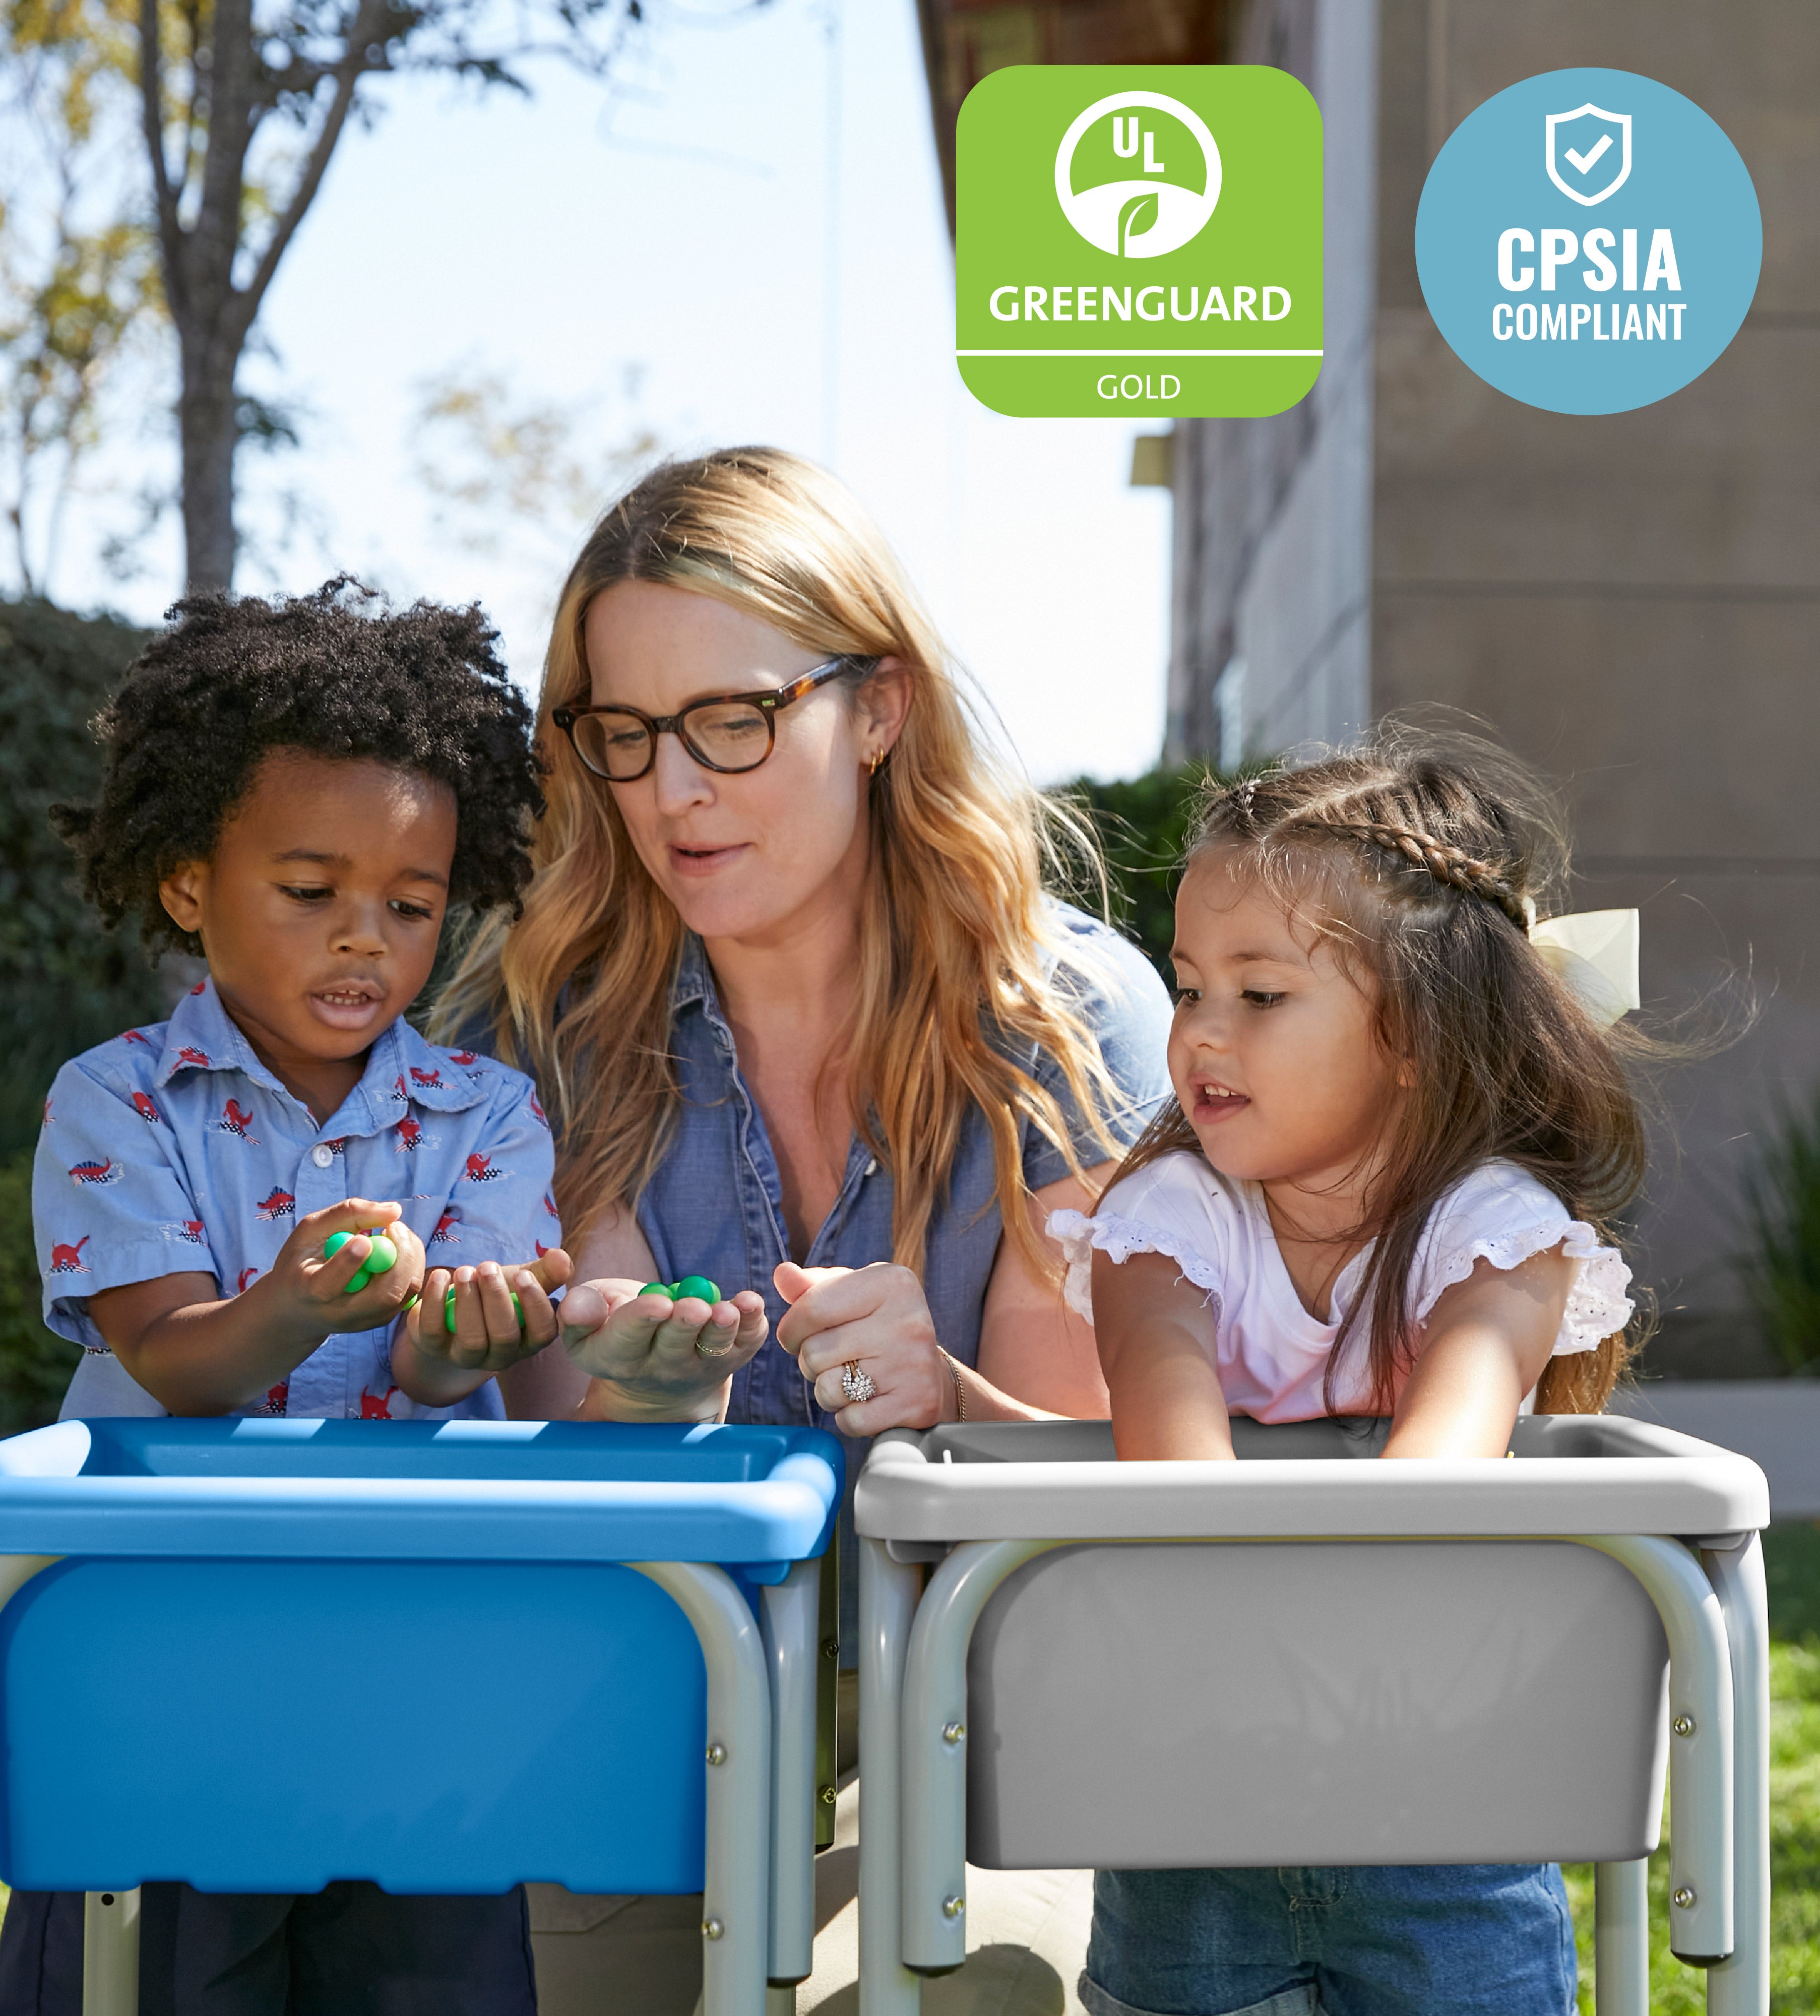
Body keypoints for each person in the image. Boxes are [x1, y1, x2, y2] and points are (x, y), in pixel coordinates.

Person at [431, 445, 1175, 2007]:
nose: (673, 792)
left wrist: (948, 1401)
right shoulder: (555, 1028)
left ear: (880, 708)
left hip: (982, 1676)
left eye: (734, 720)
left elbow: (1092, 1479)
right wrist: (642, 1400)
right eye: (624, 736)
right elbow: (595, 1514)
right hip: (650, 1686)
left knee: (976, 1994)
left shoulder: (1061, 1011)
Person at [1, 580, 587, 2015]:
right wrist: (298, 1300)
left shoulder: (488, 1114)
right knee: (161, 1980)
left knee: (427, 1982)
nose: (365, 940)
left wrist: (469, 1334)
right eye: (311, 892)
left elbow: (451, 1379)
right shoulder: (118, 1103)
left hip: (419, 1666)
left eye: (412, 904)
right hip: (167, 1664)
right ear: (190, 883)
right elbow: (177, 1360)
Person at [1053, 726, 1644, 2016]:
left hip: (1448, 1816)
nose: (1199, 1031)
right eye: (1188, 986)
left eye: (1258, 995)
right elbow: (1173, 1460)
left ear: (1417, 1036)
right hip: (1184, 1827)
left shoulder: (1494, 1229)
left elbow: (1437, 1466)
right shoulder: (1162, 1217)